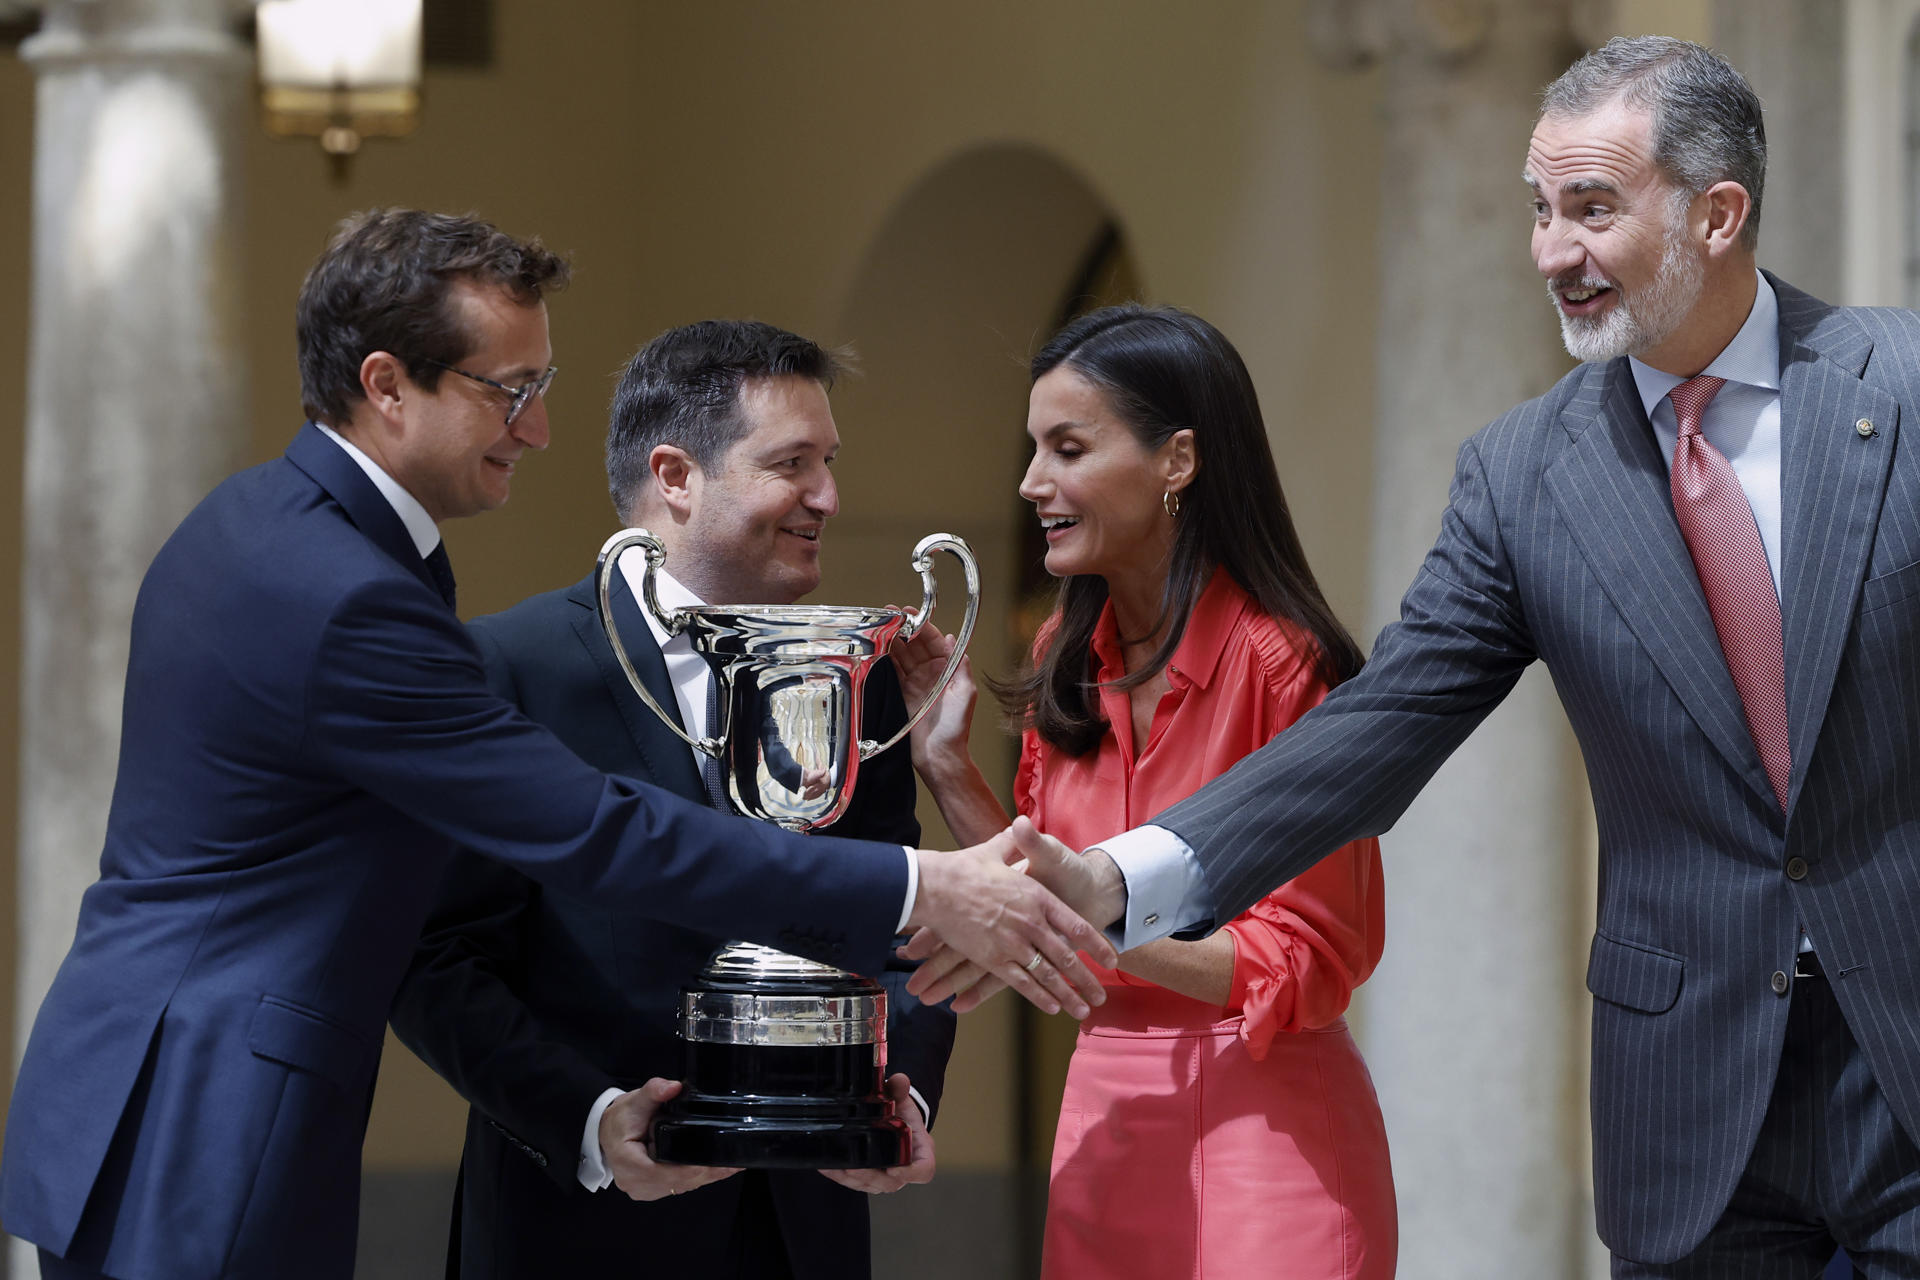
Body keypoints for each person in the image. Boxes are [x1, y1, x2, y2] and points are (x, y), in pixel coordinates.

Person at [914, 36, 1920, 1276]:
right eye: (1540, 211)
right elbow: (1377, 727)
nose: (1554, 251)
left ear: (1719, 214)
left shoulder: (1905, 385)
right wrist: (1118, 881)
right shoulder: (1520, 474)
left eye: (1593, 209)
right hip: (1695, 1102)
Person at [0, 209, 1112, 1280]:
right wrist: (921, 882)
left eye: (543, 389)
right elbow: (594, 830)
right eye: (510, 390)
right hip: (208, 1112)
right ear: (387, 385)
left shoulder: (271, 524)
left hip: (163, 1085)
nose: (536, 426)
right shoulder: (346, 594)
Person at [388, 319, 956, 1280]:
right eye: (792, 463)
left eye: (829, 461)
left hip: (807, 1229)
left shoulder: (857, 674)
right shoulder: (505, 669)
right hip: (579, 1232)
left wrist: (898, 1093)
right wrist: (592, 1121)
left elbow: (902, 927)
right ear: (677, 477)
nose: (828, 496)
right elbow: (432, 957)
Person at [896, 305, 1396, 1278]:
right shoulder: (1062, 655)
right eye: (1034, 448)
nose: (1032, 482)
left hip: (1271, 1135)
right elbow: (1044, 880)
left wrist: (1088, 922)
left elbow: (1314, 953)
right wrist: (945, 764)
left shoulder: (1284, 664)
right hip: (1105, 1121)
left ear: (1177, 460)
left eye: (1069, 447)